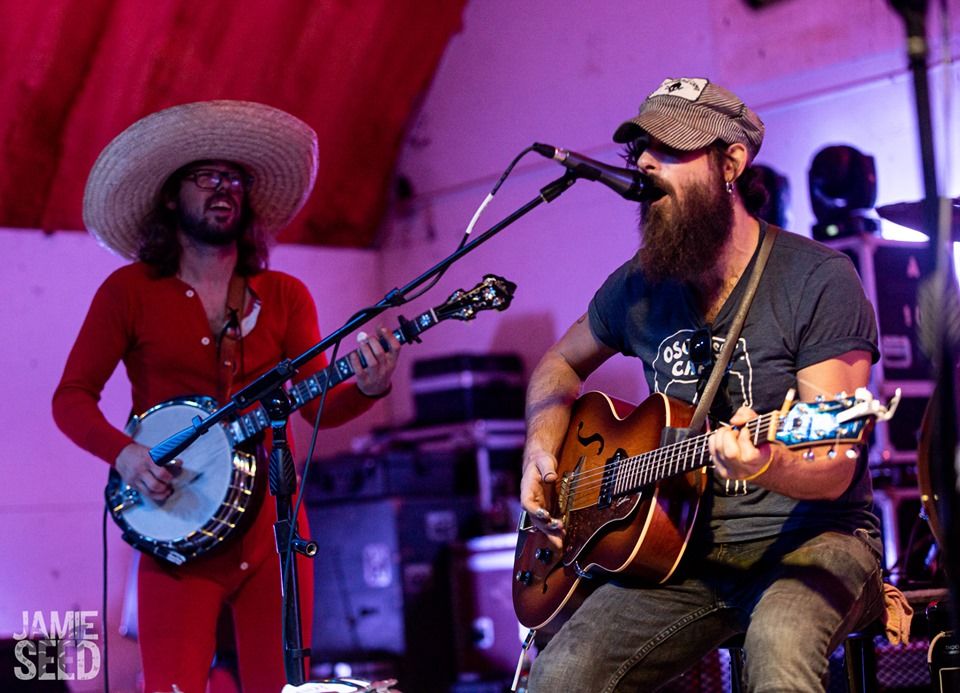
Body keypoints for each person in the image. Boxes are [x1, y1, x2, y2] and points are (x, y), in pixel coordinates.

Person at [520, 78, 884, 691]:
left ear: (731, 164)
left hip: (814, 541)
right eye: (641, 149)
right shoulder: (639, 286)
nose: (645, 163)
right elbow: (558, 364)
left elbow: (835, 462)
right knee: (561, 676)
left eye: (670, 149)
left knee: (778, 648)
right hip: (681, 557)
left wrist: (764, 464)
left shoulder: (817, 278)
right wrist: (540, 446)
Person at [52, 100, 401, 692]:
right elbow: (71, 398)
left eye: (234, 179)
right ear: (169, 197)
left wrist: (370, 388)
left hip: (273, 530)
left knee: (284, 688)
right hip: (175, 528)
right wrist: (126, 455)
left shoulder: (284, 294)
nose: (223, 189)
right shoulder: (128, 292)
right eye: (205, 176)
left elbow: (315, 406)